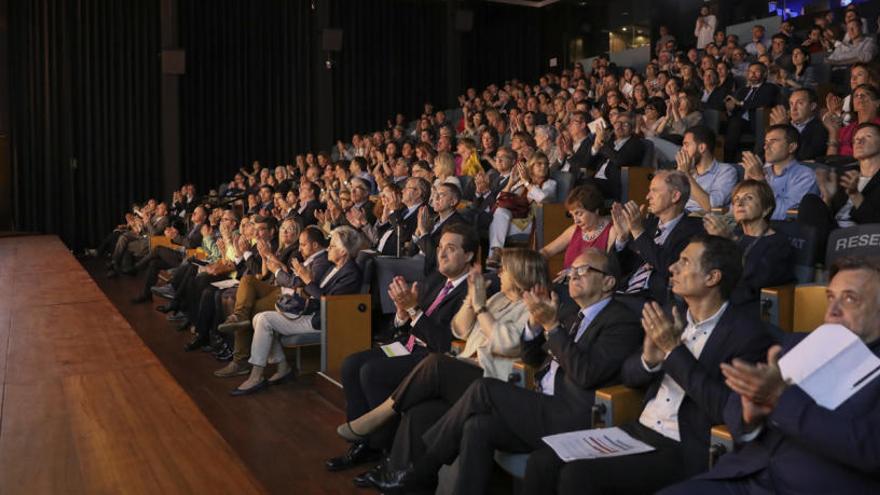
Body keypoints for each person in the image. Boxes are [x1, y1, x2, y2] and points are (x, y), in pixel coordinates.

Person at [372, 248, 643, 494]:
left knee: (483, 388)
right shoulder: (571, 312)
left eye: (583, 271)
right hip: (541, 401)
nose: (573, 276)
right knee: (478, 426)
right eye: (571, 271)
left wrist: (552, 328)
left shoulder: (622, 321)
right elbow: (531, 356)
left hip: (574, 414)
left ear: (608, 282)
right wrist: (535, 328)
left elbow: (587, 374)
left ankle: (422, 471)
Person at [523, 235, 775, 495]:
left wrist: (674, 351)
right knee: (543, 460)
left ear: (712, 278)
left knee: (578, 476)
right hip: (640, 430)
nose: (672, 268)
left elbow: (726, 408)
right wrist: (649, 360)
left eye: (685, 262)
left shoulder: (747, 336)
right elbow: (629, 377)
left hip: (684, 446)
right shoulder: (671, 316)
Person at [661, 256, 880, 494]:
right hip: (741, 479)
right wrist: (750, 416)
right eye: (830, 297)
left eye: (850, 298)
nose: (832, 311)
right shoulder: (800, 342)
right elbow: (733, 407)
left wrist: (781, 400)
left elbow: (870, 448)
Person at [340, 249, 547, 489]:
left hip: (495, 381)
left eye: (505, 269)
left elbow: (509, 343)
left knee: (436, 362)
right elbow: (459, 329)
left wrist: (481, 308)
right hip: (467, 369)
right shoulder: (499, 298)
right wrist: (471, 300)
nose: (499, 272)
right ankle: (402, 476)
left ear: (521, 274)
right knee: (421, 412)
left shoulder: (533, 306)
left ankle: (383, 413)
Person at [327, 223, 475, 472]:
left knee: (371, 372)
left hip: (430, 360)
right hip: (406, 346)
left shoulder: (472, 290)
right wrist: (401, 314)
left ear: (469, 255)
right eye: (439, 247)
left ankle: (388, 453)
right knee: (351, 364)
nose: (441, 254)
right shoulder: (436, 280)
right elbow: (405, 327)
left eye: (451, 248)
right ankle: (366, 443)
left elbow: (447, 344)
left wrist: (414, 311)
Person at [230, 226, 363, 395]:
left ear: (344, 251)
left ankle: (256, 376)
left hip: (323, 320)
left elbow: (330, 304)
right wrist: (304, 281)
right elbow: (316, 294)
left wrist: (308, 281)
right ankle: (282, 365)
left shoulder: (351, 273)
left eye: (333, 246)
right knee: (258, 318)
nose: (328, 248)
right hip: (311, 313)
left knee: (263, 319)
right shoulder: (333, 267)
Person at [613, 170, 704, 309]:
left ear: (675, 196)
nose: (648, 196)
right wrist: (622, 239)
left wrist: (637, 231)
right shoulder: (647, 225)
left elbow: (668, 267)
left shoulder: (693, 230)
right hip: (624, 292)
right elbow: (618, 268)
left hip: (653, 302)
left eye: (654, 191)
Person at [704, 180, 793, 315]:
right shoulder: (736, 234)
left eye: (749, 198)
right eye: (736, 200)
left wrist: (728, 242)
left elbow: (752, 285)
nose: (740, 203)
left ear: (766, 209)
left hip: (751, 308)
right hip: (721, 299)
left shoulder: (778, 244)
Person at [486, 152, 558, 265]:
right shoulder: (521, 182)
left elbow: (542, 197)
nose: (543, 166)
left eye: (546, 164)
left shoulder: (550, 183)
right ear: (531, 167)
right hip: (515, 221)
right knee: (501, 211)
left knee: (494, 227)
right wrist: (510, 183)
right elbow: (500, 200)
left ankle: (495, 256)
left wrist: (527, 183)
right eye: (539, 164)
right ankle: (495, 256)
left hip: (534, 223)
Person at [742, 124, 819, 220]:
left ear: (791, 147)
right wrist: (748, 183)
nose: (766, 147)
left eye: (773, 142)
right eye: (766, 142)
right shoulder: (763, 171)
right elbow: (736, 209)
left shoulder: (805, 176)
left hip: (782, 230)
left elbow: (783, 214)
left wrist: (760, 180)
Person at [723, 63, 781, 162]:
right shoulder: (742, 90)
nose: (752, 74)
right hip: (739, 121)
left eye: (756, 71)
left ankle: (728, 160)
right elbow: (733, 104)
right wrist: (730, 108)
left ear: (764, 74)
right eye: (750, 72)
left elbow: (763, 102)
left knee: (735, 123)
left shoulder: (770, 87)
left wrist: (740, 103)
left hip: (757, 121)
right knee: (728, 123)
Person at [676, 126, 738, 214]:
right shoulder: (687, 170)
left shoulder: (726, 171)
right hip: (678, 217)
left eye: (686, 145)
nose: (682, 150)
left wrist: (686, 175)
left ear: (701, 148)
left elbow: (711, 206)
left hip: (699, 220)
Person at [585, 112, 646, 200]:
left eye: (625, 124)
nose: (620, 126)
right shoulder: (609, 141)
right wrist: (596, 145)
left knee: (587, 185)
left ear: (632, 129)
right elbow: (591, 162)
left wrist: (602, 142)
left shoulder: (636, 144)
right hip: (596, 179)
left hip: (612, 183)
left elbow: (620, 160)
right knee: (577, 182)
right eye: (618, 123)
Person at [768, 88, 828, 161]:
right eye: (791, 103)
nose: (793, 108)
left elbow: (804, 156)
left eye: (800, 103)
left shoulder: (820, 128)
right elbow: (763, 153)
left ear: (812, 106)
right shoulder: (783, 122)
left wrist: (784, 130)